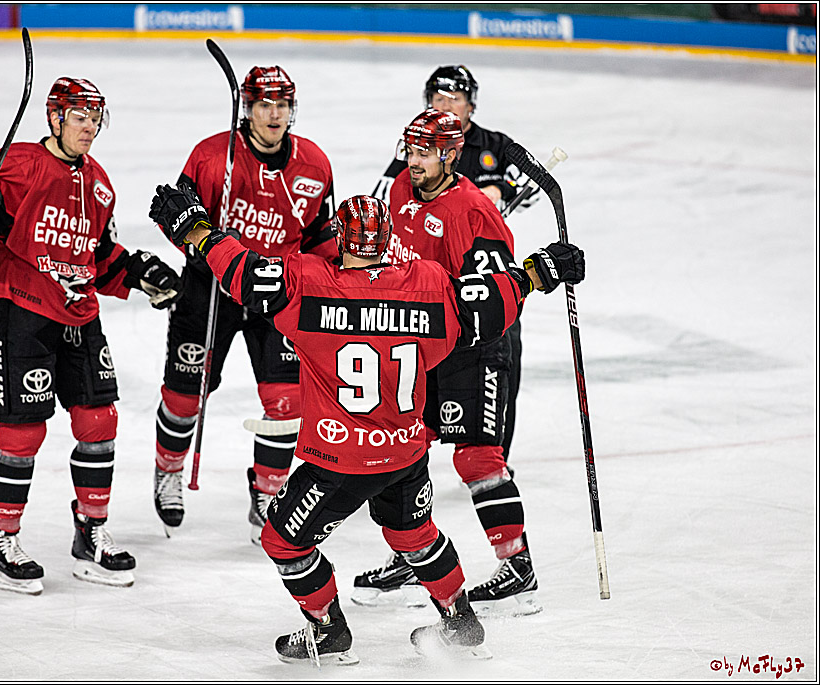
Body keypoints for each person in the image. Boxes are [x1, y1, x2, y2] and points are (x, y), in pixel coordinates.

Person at [148, 185, 585, 664]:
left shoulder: (307, 280)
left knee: (281, 539)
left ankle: (327, 629)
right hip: (405, 452)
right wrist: (542, 271)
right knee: (414, 535)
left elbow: (246, 274)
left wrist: (196, 230)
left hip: (339, 459)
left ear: (340, 238)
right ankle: (460, 622)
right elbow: (486, 300)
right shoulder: (430, 283)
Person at [0, 76, 183, 595]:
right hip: (20, 309)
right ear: (55, 118)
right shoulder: (19, 163)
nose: (90, 128)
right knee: (22, 433)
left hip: (79, 313)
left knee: (99, 422)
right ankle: (0, 539)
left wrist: (142, 274)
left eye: (97, 119)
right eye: (81, 118)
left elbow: (99, 259)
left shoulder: (100, 184)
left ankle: (91, 534)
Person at [352, 108, 541, 616]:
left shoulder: (474, 211)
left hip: (472, 349)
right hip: (414, 346)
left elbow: (494, 294)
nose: (411, 162)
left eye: (421, 153)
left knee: (476, 456)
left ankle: (517, 566)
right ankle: (411, 553)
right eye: (408, 151)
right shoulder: (397, 195)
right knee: (401, 447)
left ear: (450, 154)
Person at [150, 65, 338, 544]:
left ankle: (269, 491)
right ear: (247, 109)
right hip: (211, 288)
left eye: (282, 106)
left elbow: (321, 237)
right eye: (264, 105)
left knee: (287, 402)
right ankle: (169, 469)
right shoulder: (213, 157)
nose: (274, 115)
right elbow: (177, 217)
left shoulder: (315, 165)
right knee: (184, 395)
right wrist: (205, 245)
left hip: (277, 295)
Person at [374, 65, 533, 464]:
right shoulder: (415, 158)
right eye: (438, 98)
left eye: (454, 98)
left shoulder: (493, 145)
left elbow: (525, 183)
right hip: (427, 284)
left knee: (501, 344)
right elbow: (387, 202)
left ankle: (492, 449)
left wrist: (500, 190)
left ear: (471, 106)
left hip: (480, 269)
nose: (445, 105)